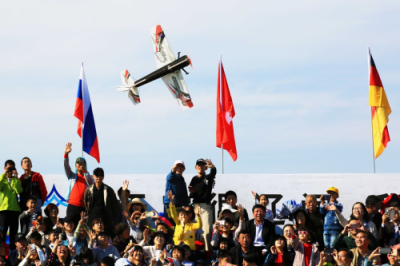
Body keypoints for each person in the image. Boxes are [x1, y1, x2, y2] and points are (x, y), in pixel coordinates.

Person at [188, 158, 216, 251]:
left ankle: (208, 254)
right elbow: (192, 195)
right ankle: (197, 253)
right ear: (196, 167)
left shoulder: (208, 178)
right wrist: (191, 192)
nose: (200, 167)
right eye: (199, 165)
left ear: (206, 167)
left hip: (206, 207)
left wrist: (213, 167)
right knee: (196, 232)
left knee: (207, 232)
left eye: (202, 165)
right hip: (195, 207)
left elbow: (213, 173)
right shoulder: (194, 179)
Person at [64, 142, 94, 226]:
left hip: (84, 208)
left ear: (85, 165)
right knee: (70, 227)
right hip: (72, 206)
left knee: (83, 229)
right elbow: (66, 166)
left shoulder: (89, 177)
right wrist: (66, 154)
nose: (79, 164)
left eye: (82, 163)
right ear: (75, 165)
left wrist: (85, 171)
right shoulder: (72, 175)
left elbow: (92, 184)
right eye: (78, 163)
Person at [84, 167, 120, 235]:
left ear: (103, 177)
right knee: (92, 239)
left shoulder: (109, 190)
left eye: (101, 175)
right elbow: (86, 204)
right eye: (97, 175)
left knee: (105, 239)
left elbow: (114, 205)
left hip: (105, 220)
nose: (99, 177)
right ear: (93, 176)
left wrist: (111, 217)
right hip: (92, 220)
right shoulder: (88, 190)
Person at [0, 160, 23, 251]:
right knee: (2, 233)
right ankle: (2, 253)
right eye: (8, 168)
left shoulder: (16, 180)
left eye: (12, 168)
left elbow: (19, 191)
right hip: (4, 210)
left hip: (14, 210)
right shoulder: (2, 179)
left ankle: (13, 253)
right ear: (4, 168)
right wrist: (3, 174)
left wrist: (16, 177)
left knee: (13, 234)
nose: (10, 170)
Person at [164, 160, 190, 225]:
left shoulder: (182, 180)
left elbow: (185, 194)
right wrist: (173, 170)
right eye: (177, 166)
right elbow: (169, 177)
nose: (179, 168)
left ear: (184, 169)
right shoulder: (171, 176)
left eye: (181, 166)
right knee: (170, 225)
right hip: (169, 204)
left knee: (178, 224)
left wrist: (186, 204)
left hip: (179, 205)